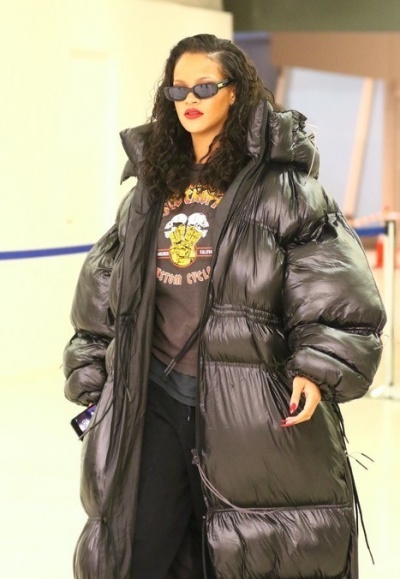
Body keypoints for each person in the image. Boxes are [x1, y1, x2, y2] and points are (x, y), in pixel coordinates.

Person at [63, 34, 386, 579]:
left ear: (234, 92)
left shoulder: (282, 188)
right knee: (135, 546)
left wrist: (317, 368)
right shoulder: (150, 189)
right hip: (154, 394)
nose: (189, 99)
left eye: (205, 87)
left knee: (242, 550)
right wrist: (94, 375)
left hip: (249, 397)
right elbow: (104, 286)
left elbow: (333, 284)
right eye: (178, 90)